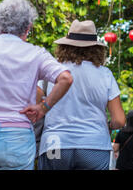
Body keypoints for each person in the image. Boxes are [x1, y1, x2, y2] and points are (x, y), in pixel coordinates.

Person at [0, 0, 73, 170]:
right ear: (28, 27)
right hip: (18, 135)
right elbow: (66, 78)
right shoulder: (36, 54)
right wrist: (43, 108)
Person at [37, 19, 126, 170]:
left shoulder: (51, 70)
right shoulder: (105, 74)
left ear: (64, 45)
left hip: (55, 143)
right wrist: (109, 125)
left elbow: (34, 102)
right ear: (97, 49)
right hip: (95, 146)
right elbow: (119, 120)